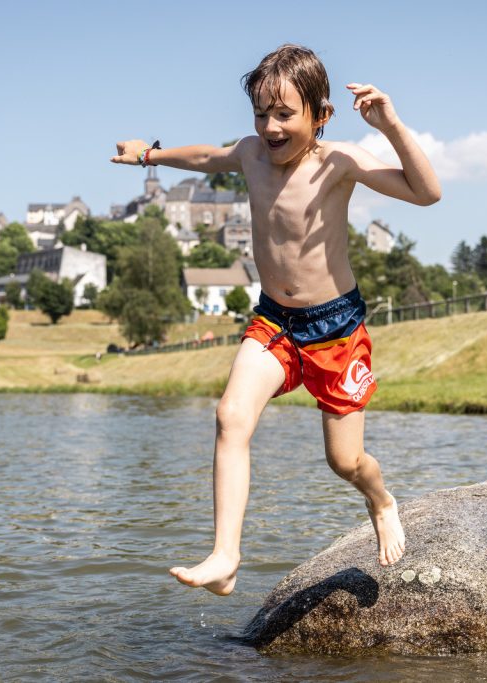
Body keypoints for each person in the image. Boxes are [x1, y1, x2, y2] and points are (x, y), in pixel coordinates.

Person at [111, 44, 441, 595]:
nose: (270, 126)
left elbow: (427, 193)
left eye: (284, 114)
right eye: (261, 113)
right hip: (275, 323)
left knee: (345, 460)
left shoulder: (340, 162)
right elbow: (204, 158)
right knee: (230, 416)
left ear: (322, 115)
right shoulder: (249, 154)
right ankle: (226, 555)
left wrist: (391, 125)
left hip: (336, 329)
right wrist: (149, 155)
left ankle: (381, 500)